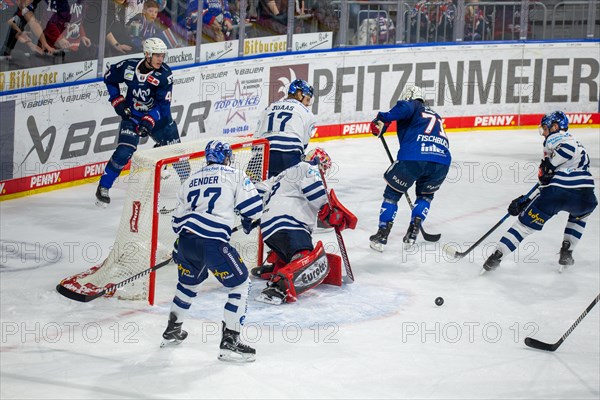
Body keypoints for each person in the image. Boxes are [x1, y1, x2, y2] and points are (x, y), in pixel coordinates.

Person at [161, 140, 263, 363]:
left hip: (186, 242)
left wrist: (182, 242)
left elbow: (176, 221)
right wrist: (247, 220)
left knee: (187, 285)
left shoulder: (190, 180)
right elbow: (254, 208)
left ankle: (172, 330)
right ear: (226, 157)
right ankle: (230, 343)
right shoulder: (234, 174)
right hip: (213, 243)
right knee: (240, 283)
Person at [483, 111, 597, 272]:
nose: (543, 133)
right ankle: (567, 251)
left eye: (545, 128)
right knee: (580, 217)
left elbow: (565, 152)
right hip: (586, 197)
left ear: (555, 126)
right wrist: (528, 200)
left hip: (557, 193)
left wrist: (550, 165)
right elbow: (547, 177)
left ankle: (495, 257)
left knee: (523, 227)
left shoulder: (558, 138)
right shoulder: (579, 145)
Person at [251, 147, 356, 305]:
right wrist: (328, 209)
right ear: (319, 163)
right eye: (324, 168)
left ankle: (274, 268)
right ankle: (278, 287)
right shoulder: (309, 168)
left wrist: (260, 213)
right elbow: (314, 192)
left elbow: (258, 190)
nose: (324, 173)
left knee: (292, 253)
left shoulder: (282, 174)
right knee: (307, 257)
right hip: (289, 223)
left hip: (268, 229)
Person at [96, 37, 181, 207]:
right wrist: (117, 100)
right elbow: (109, 78)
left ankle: (190, 188)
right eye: (157, 55)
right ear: (147, 54)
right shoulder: (128, 66)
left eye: (162, 55)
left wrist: (149, 120)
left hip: (160, 119)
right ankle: (103, 187)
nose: (160, 59)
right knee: (123, 152)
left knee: (177, 155)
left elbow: (163, 106)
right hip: (132, 116)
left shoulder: (164, 75)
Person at [369, 85, 451, 252]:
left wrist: (383, 118)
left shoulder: (412, 104)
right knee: (425, 196)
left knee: (392, 194)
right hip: (442, 161)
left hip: (414, 157)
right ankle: (412, 234)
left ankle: (382, 235)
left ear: (410, 96)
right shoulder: (435, 114)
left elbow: (403, 108)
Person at [254, 78, 316, 178]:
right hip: (290, 156)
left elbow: (257, 137)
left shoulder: (268, 108)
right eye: (307, 99)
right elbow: (303, 146)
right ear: (299, 94)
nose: (308, 104)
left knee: (259, 188)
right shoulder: (307, 113)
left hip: (266, 155)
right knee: (294, 188)